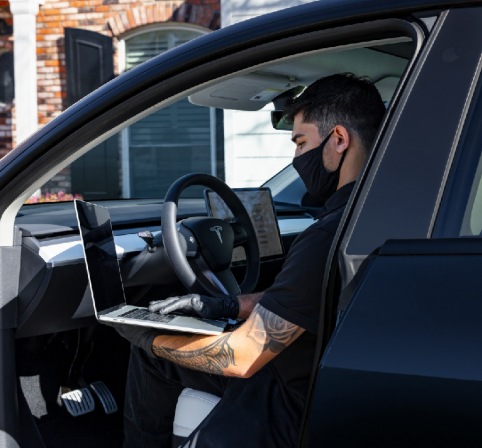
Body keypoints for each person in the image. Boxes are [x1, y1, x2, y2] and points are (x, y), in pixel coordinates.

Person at [109, 72, 387, 448]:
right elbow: (302, 303)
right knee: (154, 360)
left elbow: (241, 356)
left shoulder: (326, 237)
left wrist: (147, 335)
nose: (297, 157)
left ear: (338, 140)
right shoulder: (378, 213)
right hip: (324, 379)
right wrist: (222, 304)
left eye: (301, 142)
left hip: (291, 403)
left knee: (151, 353)